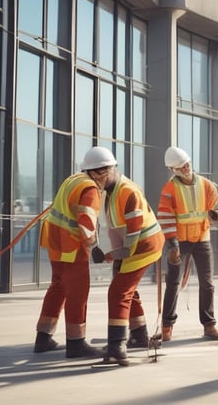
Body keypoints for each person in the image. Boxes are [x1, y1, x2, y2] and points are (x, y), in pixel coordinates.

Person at [33, 146, 115, 358]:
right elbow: (86, 222)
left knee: (58, 287)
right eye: (111, 170)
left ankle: (43, 337)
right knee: (78, 292)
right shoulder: (89, 189)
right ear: (100, 171)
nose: (112, 175)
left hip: (55, 243)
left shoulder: (73, 180)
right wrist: (94, 247)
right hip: (71, 246)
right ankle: (76, 343)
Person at [94, 153, 165, 366]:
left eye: (98, 176)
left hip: (143, 247)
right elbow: (116, 229)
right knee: (128, 290)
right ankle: (139, 335)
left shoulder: (127, 192)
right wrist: (114, 256)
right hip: (135, 247)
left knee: (118, 291)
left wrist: (115, 255)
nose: (96, 181)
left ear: (109, 170)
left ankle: (117, 345)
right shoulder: (111, 192)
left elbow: (132, 237)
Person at [157, 146, 218, 341]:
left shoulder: (205, 184)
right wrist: (172, 244)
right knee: (173, 283)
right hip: (180, 241)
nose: (185, 169)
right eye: (181, 167)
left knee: (208, 283)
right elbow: (165, 216)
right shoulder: (169, 189)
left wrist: (216, 213)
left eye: (186, 164)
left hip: (202, 238)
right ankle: (167, 326)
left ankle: (209, 325)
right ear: (173, 170)